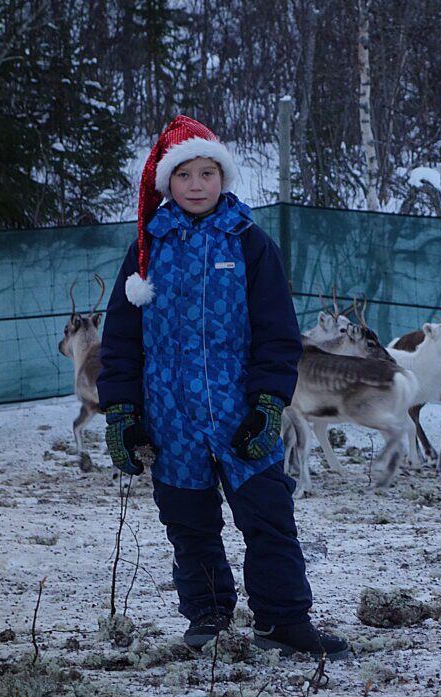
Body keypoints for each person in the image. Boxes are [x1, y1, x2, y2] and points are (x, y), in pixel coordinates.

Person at [97, 115, 349, 660]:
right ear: (167, 183)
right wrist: (121, 412)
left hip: (240, 413)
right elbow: (119, 338)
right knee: (189, 525)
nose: (196, 184)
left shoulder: (250, 243)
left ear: (222, 177)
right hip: (171, 419)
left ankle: (282, 620)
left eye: (206, 172)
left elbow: (278, 333)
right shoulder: (146, 250)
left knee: (269, 517)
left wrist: (266, 402)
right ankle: (209, 617)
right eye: (184, 174)